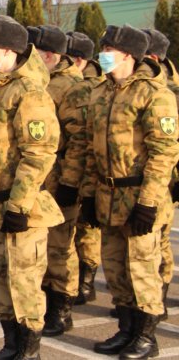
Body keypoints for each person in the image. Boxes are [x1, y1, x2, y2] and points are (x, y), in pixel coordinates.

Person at [82, 25, 179, 358]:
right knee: (116, 269)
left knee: (142, 269)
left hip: (139, 195)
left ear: (129, 55)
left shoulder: (154, 93)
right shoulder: (101, 91)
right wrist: (90, 195)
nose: (103, 53)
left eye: (109, 47)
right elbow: (91, 148)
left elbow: (163, 152)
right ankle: (126, 329)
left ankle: (146, 337)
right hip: (108, 196)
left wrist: (149, 203)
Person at [0, 15, 63, 359]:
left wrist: (18, 205)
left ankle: (28, 351)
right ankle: (11, 344)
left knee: (24, 285)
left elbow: (38, 153)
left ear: (10, 50)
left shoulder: (29, 92)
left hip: (21, 209)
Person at [27, 25, 90, 337]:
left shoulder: (71, 87)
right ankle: (48, 301)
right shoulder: (39, 80)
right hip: (41, 178)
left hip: (61, 177)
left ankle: (62, 308)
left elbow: (80, 141)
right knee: (42, 246)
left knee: (61, 246)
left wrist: (70, 181)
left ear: (49, 54)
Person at [142, 28, 179, 322]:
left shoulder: (169, 93)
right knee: (158, 242)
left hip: (169, 178)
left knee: (162, 243)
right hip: (159, 180)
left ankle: (160, 295)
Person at [66, 30, 103, 306]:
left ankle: (86, 280)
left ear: (78, 60)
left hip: (84, 167)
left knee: (87, 228)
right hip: (72, 166)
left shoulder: (89, 87)